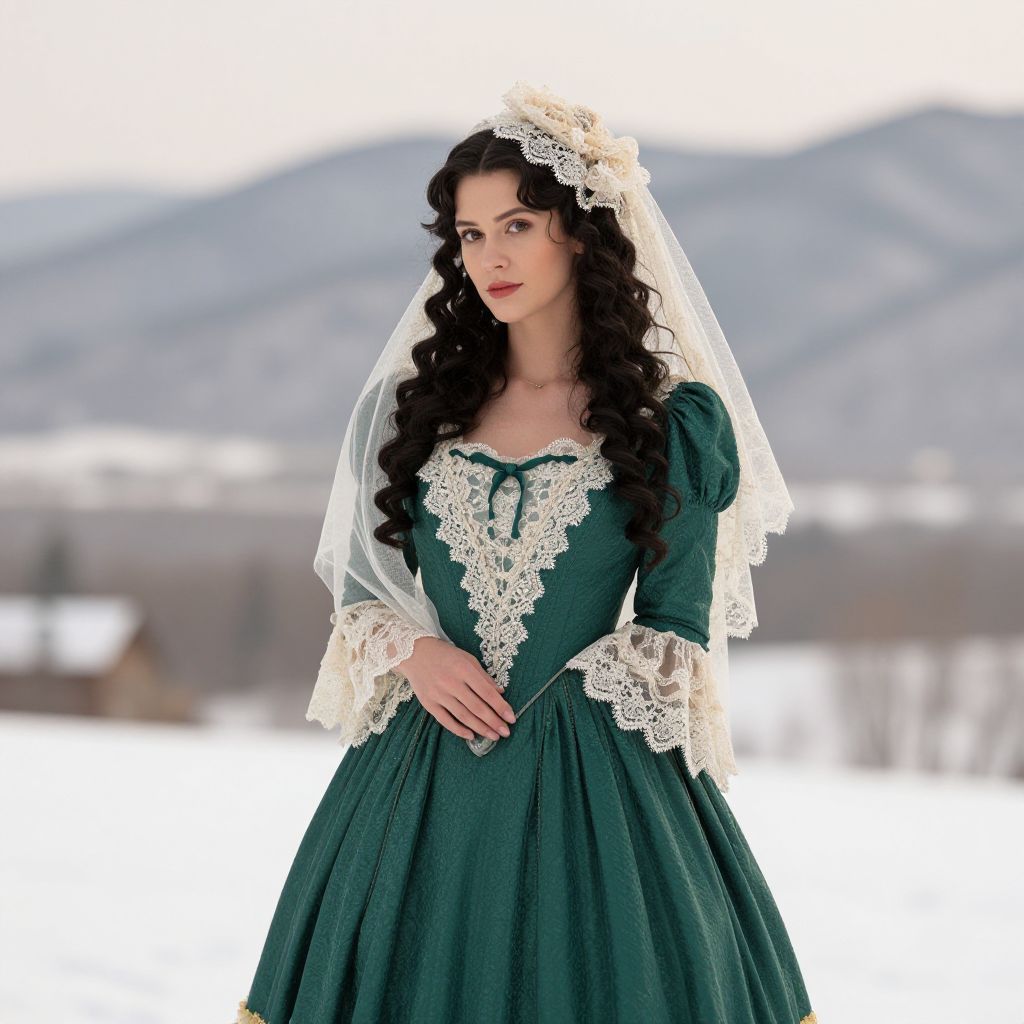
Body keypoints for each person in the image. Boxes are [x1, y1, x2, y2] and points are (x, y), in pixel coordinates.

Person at [236, 81, 817, 1024]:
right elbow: (359, 580)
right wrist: (414, 651)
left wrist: (572, 693)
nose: (490, 258)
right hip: (418, 780)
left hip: (599, 788)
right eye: (471, 235)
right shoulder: (406, 414)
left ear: (579, 234)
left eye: (516, 226)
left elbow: (675, 628)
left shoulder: (672, 425)